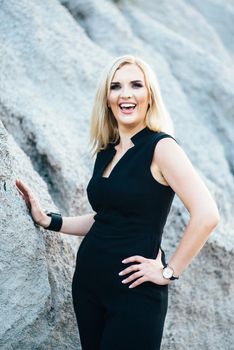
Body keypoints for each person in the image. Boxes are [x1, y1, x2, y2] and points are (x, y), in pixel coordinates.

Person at [16, 55, 220, 350]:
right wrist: (50, 220)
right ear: (107, 98)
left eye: (136, 85)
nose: (125, 94)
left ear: (149, 95)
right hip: (88, 287)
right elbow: (107, 218)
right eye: (116, 87)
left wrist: (168, 271)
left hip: (135, 295)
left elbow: (207, 214)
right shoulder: (106, 151)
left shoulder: (162, 147)